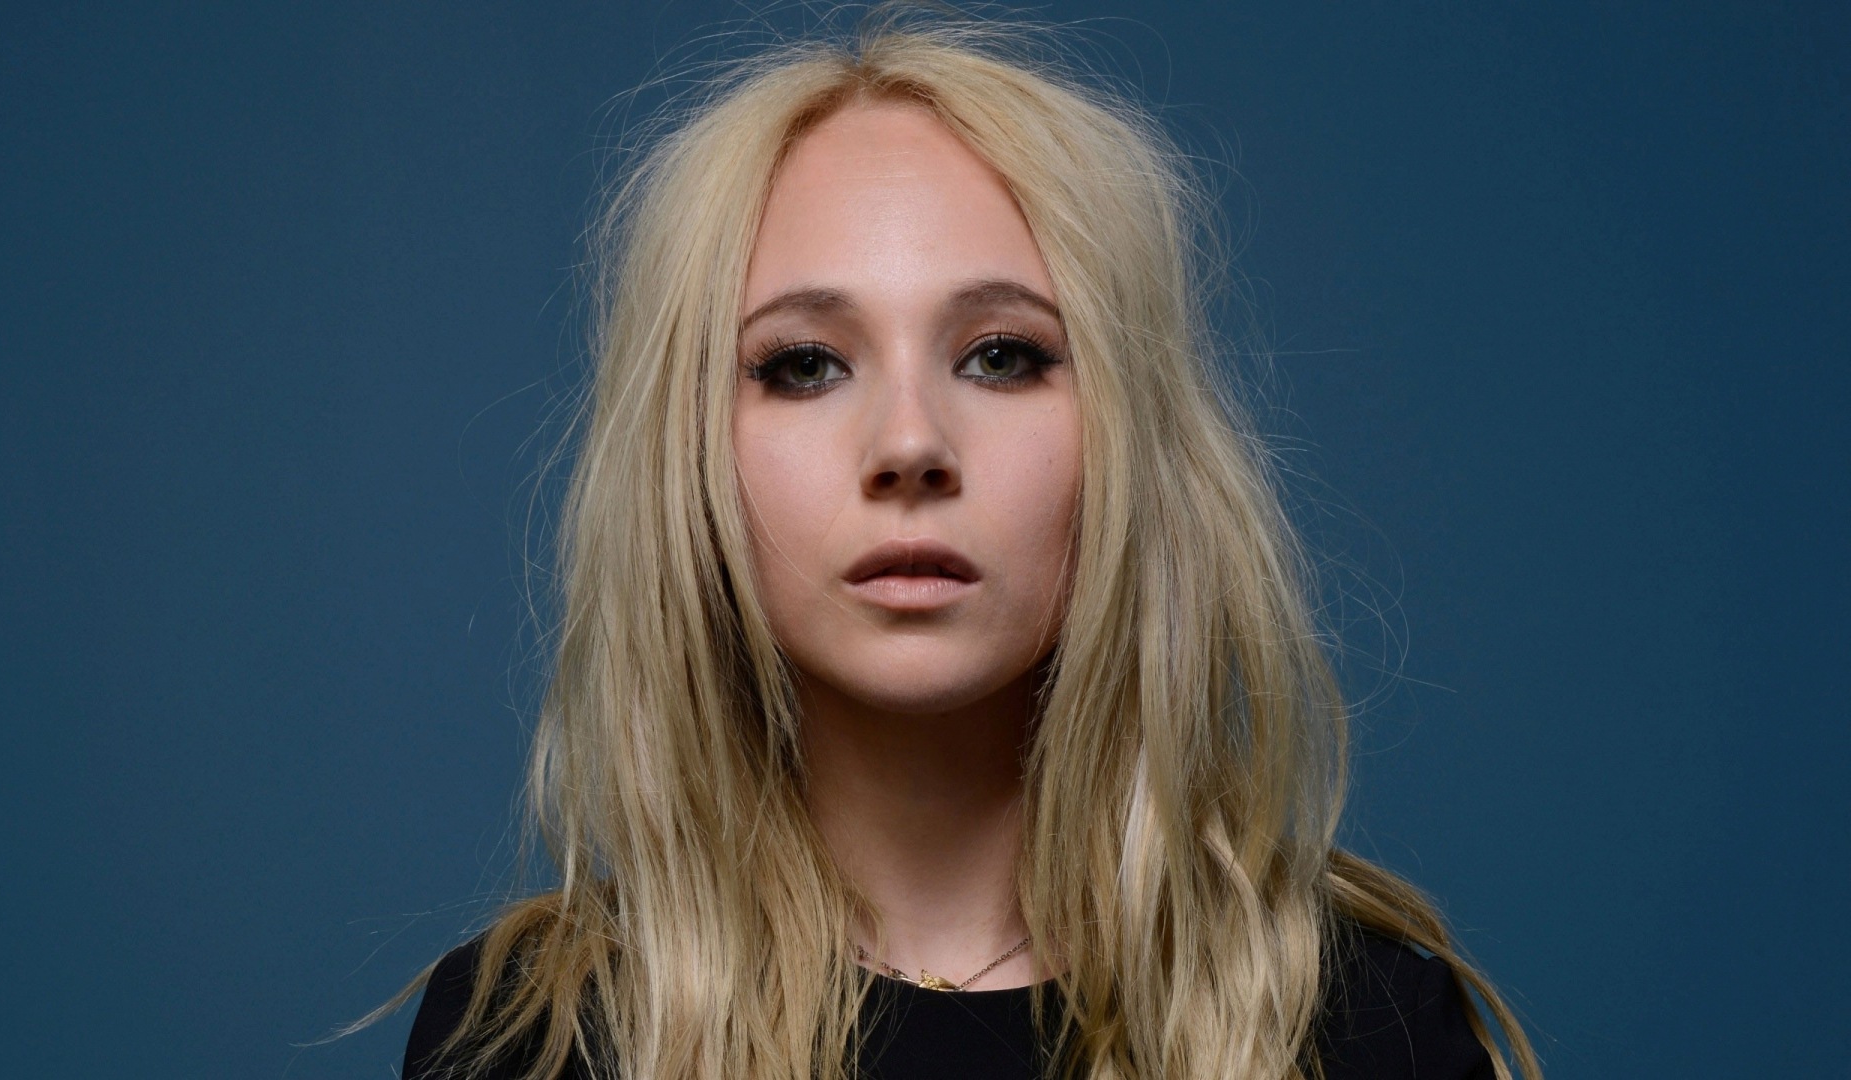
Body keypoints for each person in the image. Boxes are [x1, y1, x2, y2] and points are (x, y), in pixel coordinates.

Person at [395, 9, 1538, 1079]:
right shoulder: (534, 1042)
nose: (909, 444)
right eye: (805, 363)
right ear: (689, 455)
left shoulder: (1370, 1029)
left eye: (1001, 356)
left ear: (1127, 436)